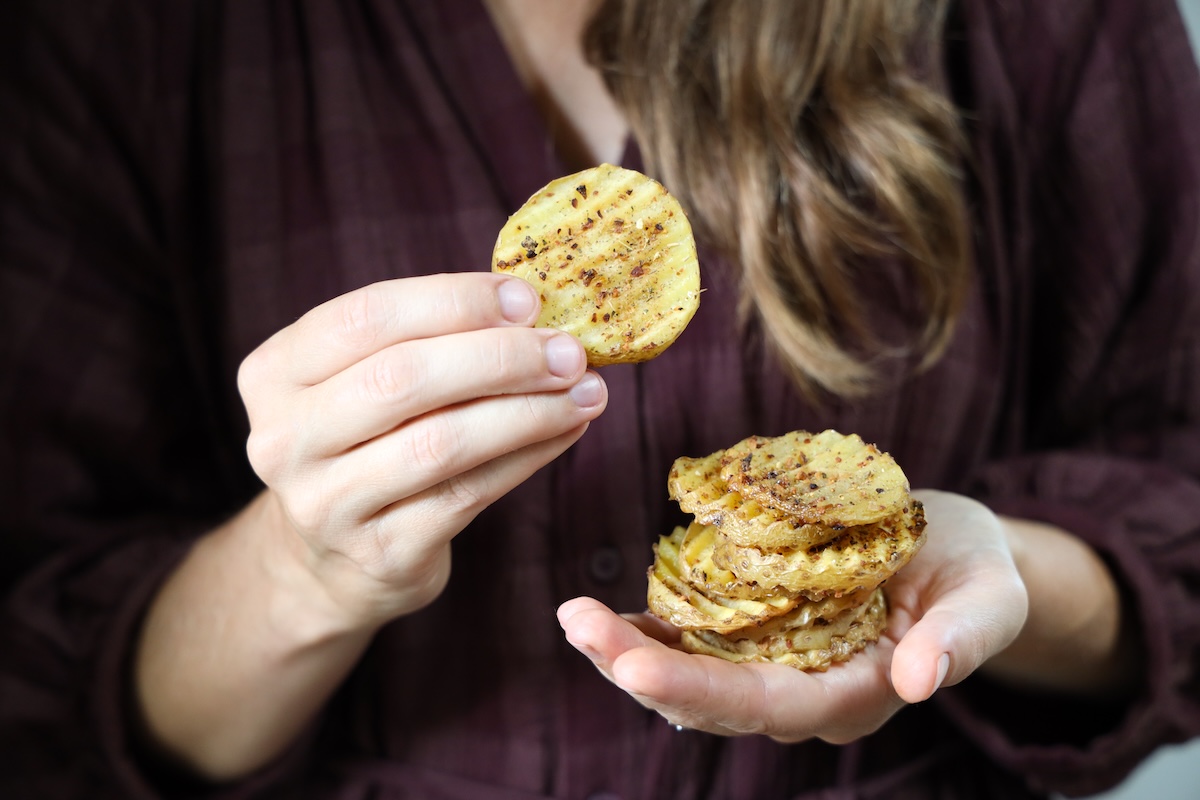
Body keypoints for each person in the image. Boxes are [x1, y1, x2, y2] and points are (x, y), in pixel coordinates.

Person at [1, 0, 1198, 797]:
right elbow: (41, 691)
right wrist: (302, 570)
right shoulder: (124, 41)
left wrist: (989, 581)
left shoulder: (1039, 22)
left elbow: (1179, 500)